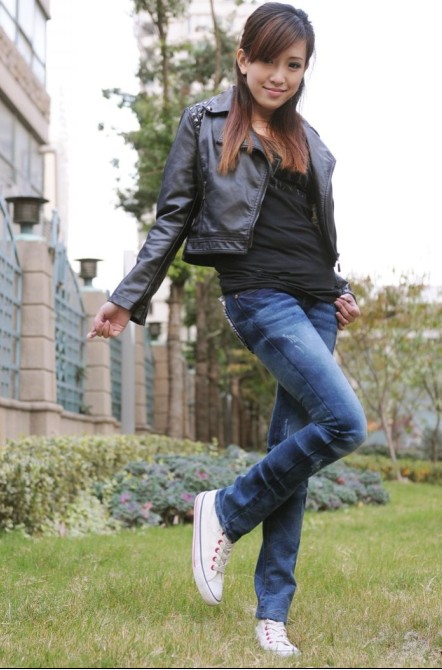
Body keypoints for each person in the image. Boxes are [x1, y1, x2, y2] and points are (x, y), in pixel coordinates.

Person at [88, 1, 367, 657]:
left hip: (316, 302)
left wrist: (341, 287)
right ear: (243, 59)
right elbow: (173, 218)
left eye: (293, 65)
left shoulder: (311, 141)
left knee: (294, 453)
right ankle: (227, 509)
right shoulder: (205, 122)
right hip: (258, 294)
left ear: (305, 70)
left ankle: (273, 614)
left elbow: (316, 236)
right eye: (268, 60)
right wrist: (128, 297)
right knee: (345, 423)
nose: (279, 75)